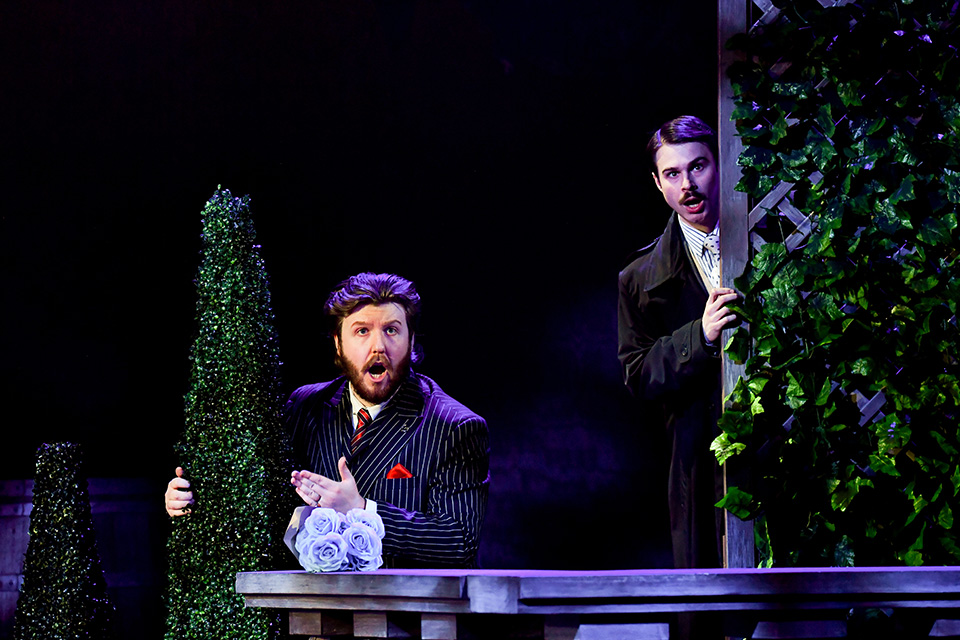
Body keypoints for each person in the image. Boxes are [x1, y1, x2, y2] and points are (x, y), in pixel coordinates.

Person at [166, 272, 490, 568]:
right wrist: (198, 501)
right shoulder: (306, 406)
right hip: (312, 615)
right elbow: (263, 500)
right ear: (339, 342)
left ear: (411, 339)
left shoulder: (454, 426)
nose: (378, 346)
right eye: (362, 331)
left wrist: (363, 511)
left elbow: (459, 540)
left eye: (392, 330)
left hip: (409, 620)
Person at [617, 115, 739, 570]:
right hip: (698, 459)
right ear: (658, 184)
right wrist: (699, 337)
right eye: (673, 173)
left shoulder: (772, 240)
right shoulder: (639, 278)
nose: (687, 184)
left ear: (720, 165)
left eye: (698, 166)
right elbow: (637, 374)